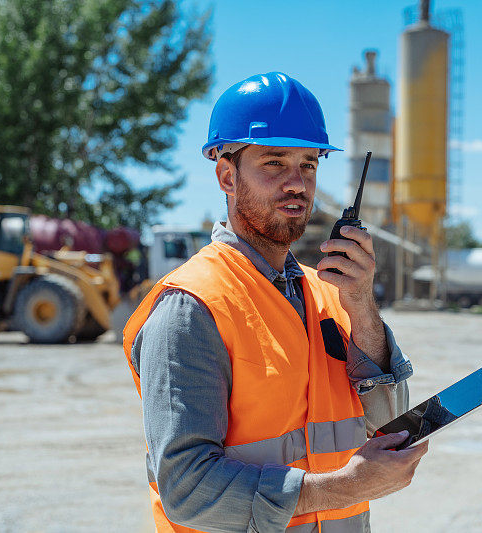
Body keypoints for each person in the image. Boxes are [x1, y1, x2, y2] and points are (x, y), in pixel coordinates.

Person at [123, 72, 428, 533]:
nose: (297, 184)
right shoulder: (193, 307)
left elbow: (384, 426)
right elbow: (186, 491)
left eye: (309, 165)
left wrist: (362, 306)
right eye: (274, 163)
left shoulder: (332, 292)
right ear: (227, 175)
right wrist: (345, 487)